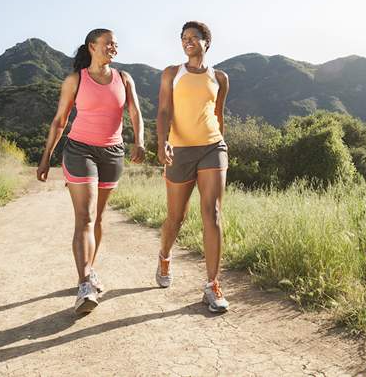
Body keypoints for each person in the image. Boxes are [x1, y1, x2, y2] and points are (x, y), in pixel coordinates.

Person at [36, 28, 145, 314]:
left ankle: (89, 269)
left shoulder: (124, 78)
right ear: (92, 46)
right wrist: (46, 156)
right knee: (84, 216)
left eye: (116, 45)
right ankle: (85, 283)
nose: (113, 48)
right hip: (79, 149)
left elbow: (135, 112)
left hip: (112, 152)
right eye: (108, 43)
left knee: (97, 218)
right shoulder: (76, 80)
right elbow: (60, 120)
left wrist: (140, 141)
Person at [155, 21, 230, 313]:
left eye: (193, 38)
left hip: (213, 147)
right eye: (183, 38)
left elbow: (219, 114)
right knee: (176, 217)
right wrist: (162, 143)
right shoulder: (172, 74)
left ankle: (212, 285)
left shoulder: (220, 77)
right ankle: (164, 255)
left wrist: (222, 143)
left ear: (206, 43)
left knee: (212, 213)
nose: (187, 41)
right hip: (180, 150)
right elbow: (163, 111)